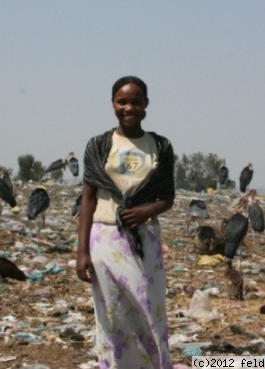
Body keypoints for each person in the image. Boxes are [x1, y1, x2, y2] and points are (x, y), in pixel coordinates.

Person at [76, 76, 175, 369]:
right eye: (122, 101)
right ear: (112, 105)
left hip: (145, 238)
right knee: (112, 314)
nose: (129, 107)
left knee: (150, 309)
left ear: (146, 105)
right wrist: (81, 252)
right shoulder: (99, 145)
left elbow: (167, 197)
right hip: (105, 239)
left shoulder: (160, 145)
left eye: (135, 101)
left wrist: (147, 211)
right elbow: (88, 200)